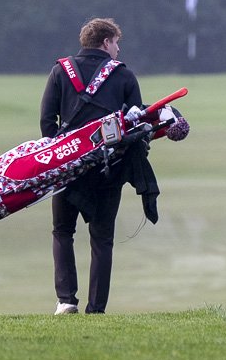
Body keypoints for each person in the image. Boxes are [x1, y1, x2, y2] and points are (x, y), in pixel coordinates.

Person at [39, 17, 158, 315]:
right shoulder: (124, 76)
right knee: (102, 239)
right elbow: (137, 124)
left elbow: (46, 122)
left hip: (67, 171)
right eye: (116, 42)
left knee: (63, 231)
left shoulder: (58, 72)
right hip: (110, 171)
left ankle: (66, 300)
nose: (118, 49)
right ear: (106, 42)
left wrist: (63, 155)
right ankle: (97, 309)